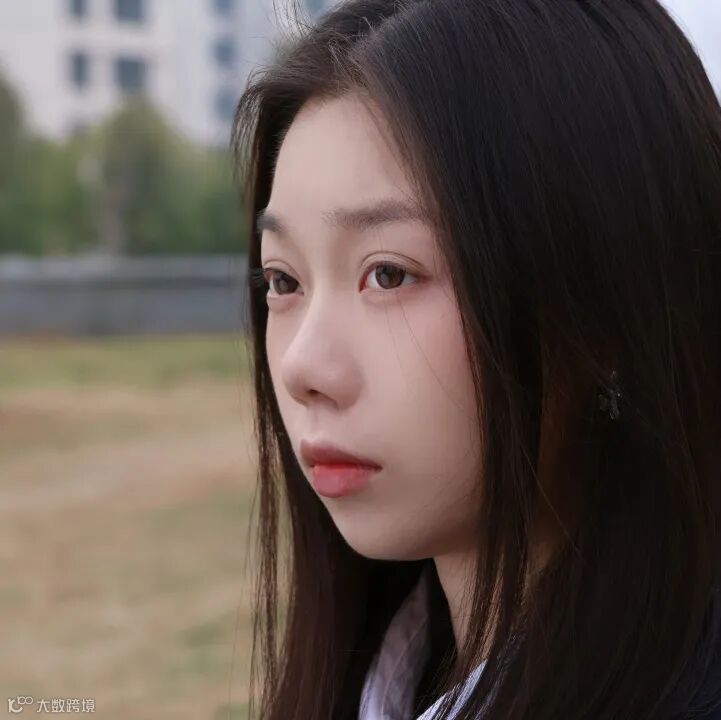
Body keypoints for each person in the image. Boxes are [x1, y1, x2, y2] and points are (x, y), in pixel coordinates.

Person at [231, 0, 721, 717]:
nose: (303, 368)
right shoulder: (375, 681)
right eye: (283, 281)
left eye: (389, 274)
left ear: (610, 308)